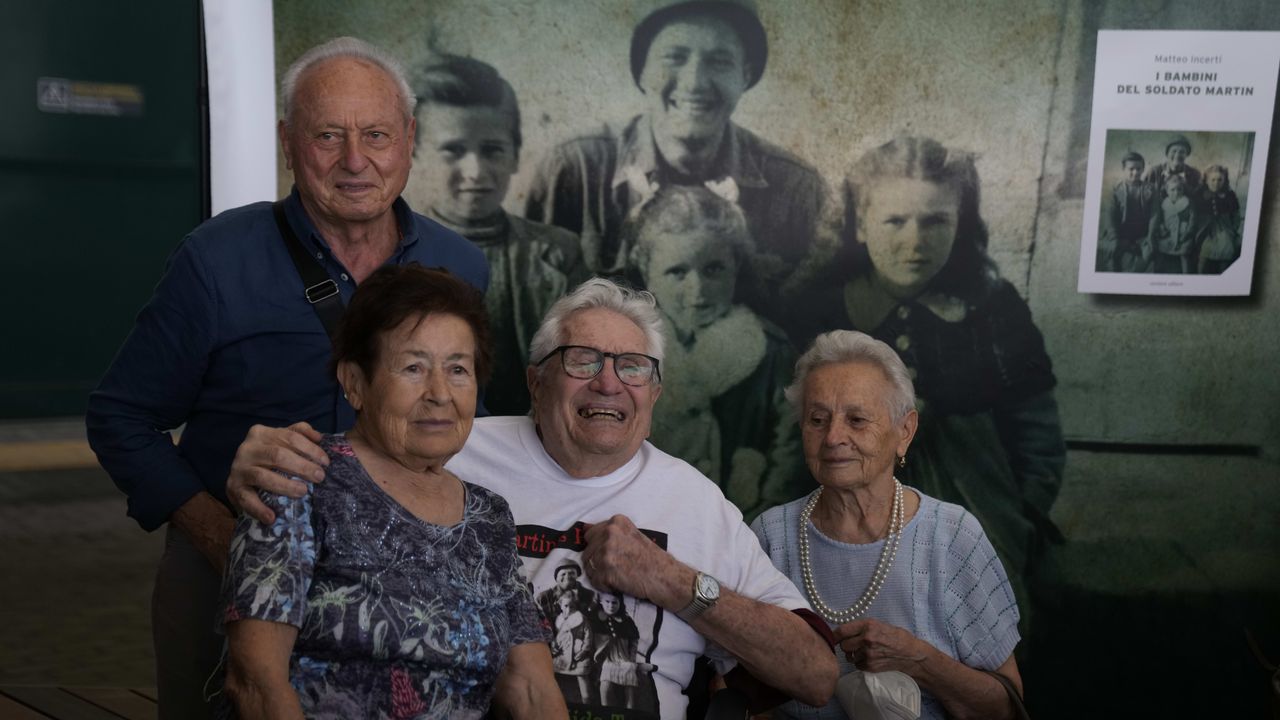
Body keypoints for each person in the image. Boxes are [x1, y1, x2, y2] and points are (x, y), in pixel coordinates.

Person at [84, 37, 488, 719]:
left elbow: (469, 427)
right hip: (222, 573)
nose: (355, 161)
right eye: (327, 135)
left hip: (401, 586)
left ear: (409, 139)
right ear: (286, 141)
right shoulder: (216, 259)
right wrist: (219, 536)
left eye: (377, 135)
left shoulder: (461, 267)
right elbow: (121, 418)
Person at [226, 277, 840, 719]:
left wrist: (676, 582)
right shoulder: (443, 448)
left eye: (632, 366)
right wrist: (260, 460)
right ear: (534, 378)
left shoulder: (694, 501)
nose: (608, 382)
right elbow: (350, 464)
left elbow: (815, 675)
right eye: (583, 360)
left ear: (655, 392)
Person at [220, 264, 563, 719]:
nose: (439, 393)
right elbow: (255, 683)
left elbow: (531, 688)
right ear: (355, 383)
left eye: (458, 369)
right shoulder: (299, 478)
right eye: (413, 367)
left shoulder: (487, 516)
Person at [786, 136, 1065, 633]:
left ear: (961, 224)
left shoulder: (994, 312)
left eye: (935, 221)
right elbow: (788, 439)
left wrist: (1016, 517)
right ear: (861, 224)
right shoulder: (820, 312)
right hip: (837, 522)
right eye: (895, 220)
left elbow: (1036, 436)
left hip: (976, 518)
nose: (915, 242)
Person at [752, 330, 1024, 719]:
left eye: (857, 419)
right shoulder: (770, 536)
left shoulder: (951, 537)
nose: (833, 437)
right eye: (817, 419)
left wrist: (919, 662)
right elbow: (739, 686)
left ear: (904, 432)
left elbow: (1006, 710)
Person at [523, 0, 828, 325]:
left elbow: (804, 326)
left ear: (745, 75)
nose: (695, 81)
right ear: (642, 71)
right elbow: (534, 317)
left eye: (720, 61)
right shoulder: (575, 171)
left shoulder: (795, 187)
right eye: (674, 57)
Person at [412, 54, 586, 414]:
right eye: (453, 151)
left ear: (516, 155)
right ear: (416, 154)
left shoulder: (558, 253)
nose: (475, 171)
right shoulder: (393, 253)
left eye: (492, 150)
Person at [624, 185, 806, 521]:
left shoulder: (771, 351)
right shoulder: (623, 348)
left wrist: (759, 524)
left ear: (735, 266)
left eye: (714, 270)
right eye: (677, 272)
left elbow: (790, 456)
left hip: (742, 525)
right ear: (647, 271)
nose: (697, 290)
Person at [591, 591, 656, 709]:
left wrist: (631, 658)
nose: (611, 606)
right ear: (601, 602)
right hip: (606, 658)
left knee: (629, 672)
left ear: (620, 603)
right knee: (605, 682)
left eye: (614, 603)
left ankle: (629, 709)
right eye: (607, 602)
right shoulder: (597, 619)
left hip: (624, 657)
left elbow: (634, 641)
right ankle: (605, 708)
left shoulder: (626, 621)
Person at [1102, 151, 1156, 272]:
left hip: (1143, 234)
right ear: (1123, 169)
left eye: (1139, 168)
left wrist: (1150, 237)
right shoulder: (1115, 189)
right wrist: (1114, 237)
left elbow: (1154, 215)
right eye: (1131, 169)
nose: (1135, 172)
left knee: (1148, 256)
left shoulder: (1151, 189)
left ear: (1143, 169)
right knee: (1113, 256)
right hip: (1122, 232)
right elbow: (1110, 215)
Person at [1146, 174, 1200, 274]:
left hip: (1183, 234)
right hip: (1167, 234)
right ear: (1167, 191)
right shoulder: (1164, 203)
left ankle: (1186, 274)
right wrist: (1162, 228)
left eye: (1179, 189)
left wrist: (1188, 233)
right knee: (1159, 250)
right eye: (1172, 190)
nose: (1176, 193)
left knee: (1185, 253)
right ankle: (1157, 273)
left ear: (1183, 190)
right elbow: (1159, 219)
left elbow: (1193, 220)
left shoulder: (1188, 203)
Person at [1194, 164, 1242, 275]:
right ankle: (1199, 276)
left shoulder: (1229, 195)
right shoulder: (1200, 194)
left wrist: (1233, 229)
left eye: (1220, 180)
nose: (1216, 183)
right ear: (1206, 181)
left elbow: (1236, 214)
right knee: (1204, 253)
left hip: (1224, 228)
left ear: (1225, 181)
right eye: (1213, 180)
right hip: (1206, 228)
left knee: (1226, 249)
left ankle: (1223, 276)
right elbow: (1195, 213)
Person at [1143, 134, 1201, 198]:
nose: (1177, 155)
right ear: (1167, 154)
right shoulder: (1154, 172)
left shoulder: (1194, 174)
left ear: (1186, 155)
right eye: (1174, 151)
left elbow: (1198, 198)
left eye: (1182, 152)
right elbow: (1145, 196)